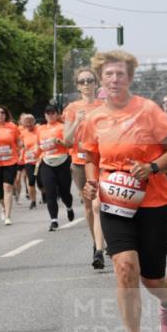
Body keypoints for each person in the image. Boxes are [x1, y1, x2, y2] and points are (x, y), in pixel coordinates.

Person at [82, 50, 167, 332]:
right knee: (125, 270)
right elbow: (90, 157)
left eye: (121, 74)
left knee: (151, 277)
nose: (115, 79)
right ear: (101, 78)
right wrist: (91, 183)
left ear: (130, 78)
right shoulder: (94, 118)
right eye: (109, 74)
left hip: (155, 202)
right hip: (115, 203)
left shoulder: (149, 111)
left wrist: (152, 167)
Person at [63, 67, 104, 266]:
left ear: (96, 83)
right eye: (82, 82)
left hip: (102, 160)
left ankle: (100, 248)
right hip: (80, 162)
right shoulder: (72, 108)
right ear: (78, 86)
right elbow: (67, 140)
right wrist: (77, 121)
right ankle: (96, 243)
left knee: (99, 204)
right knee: (89, 206)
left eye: (90, 80)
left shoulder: (104, 106)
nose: (86, 84)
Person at [37, 104, 74, 231]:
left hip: (62, 161)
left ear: (57, 114)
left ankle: (69, 207)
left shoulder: (63, 127)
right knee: (50, 192)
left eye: (52, 112)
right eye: (47, 113)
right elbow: (38, 146)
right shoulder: (40, 129)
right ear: (44, 115)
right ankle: (54, 220)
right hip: (47, 162)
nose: (50, 115)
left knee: (65, 193)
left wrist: (58, 141)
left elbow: (69, 144)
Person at [19, 114, 40, 209]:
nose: (28, 124)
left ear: (33, 122)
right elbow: (22, 146)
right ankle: (33, 201)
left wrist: (37, 149)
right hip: (28, 160)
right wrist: (20, 156)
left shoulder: (39, 130)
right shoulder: (23, 133)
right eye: (26, 122)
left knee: (41, 182)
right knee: (31, 181)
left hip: (40, 160)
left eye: (30, 122)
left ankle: (44, 193)